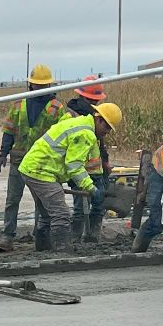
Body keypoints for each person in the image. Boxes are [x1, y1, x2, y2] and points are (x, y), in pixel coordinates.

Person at [18, 102, 123, 251]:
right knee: (61, 214)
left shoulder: (79, 123)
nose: (107, 132)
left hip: (32, 168)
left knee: (47, 214)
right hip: (42, 172)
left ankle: (43, 249)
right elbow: (74, 166)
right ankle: (62, 251)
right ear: (98, 119)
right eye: (107, 127)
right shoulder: (85, 133)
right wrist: (91, 188)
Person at [0, 65, 58, 244]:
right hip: (19, 161)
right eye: (36, 85)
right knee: (12, 200)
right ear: (30, 85)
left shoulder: (56, 108)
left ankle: (40, 235)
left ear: (49, 86)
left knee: (42, 203)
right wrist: (3, 154)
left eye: (43, 85)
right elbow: (9, 130)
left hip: (42, 165)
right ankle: (8, 236)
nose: (39, 89)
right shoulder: (18, 104)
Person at [66, 80, 112, 245]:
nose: (94, 104)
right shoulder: (71, 115)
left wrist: (105, 160)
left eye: (96, 101)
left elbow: (100, 141)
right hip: (78, 170)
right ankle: (75, 238)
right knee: (79, 208)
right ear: (82, 97)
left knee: (98, 204)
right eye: (92, 101)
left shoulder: (96, 116)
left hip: (96, 169)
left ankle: (92, 237)